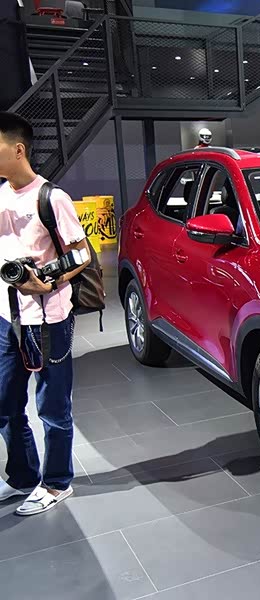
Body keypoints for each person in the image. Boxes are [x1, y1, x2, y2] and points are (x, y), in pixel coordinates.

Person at [0, 112, 90, 516]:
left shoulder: (52, 198)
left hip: (49, 318)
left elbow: (81, 254)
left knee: (52, 407)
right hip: (8, 317)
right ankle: (22, 476)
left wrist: (47, 283)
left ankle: (56, 482)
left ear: (18, 149)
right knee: (5, 403)